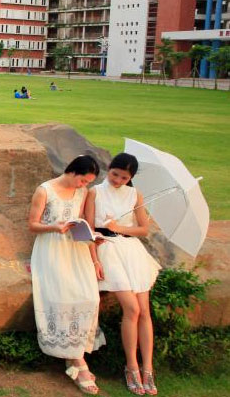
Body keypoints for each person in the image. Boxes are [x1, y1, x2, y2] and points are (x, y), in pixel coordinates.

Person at [28, 155, 104, 395]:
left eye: (88, 182)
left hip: (76, 249)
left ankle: (75, 355)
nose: (84, 185)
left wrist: (94, 251)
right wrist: (55, 227)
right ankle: (77, 361)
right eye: (82, 180)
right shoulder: (45, 190)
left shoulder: (83, 193)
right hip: (51, 247)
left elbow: (82, 223)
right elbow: (32, 225)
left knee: (91, 298)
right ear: (72, 171)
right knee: (63, 297)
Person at [84, 153, 160, 395]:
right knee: (132, 308)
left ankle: (148, 367)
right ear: (109, 169)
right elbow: (88, 227)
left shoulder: (134, 195)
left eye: (124, 177)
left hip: (131, 250)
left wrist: (121, 228)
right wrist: (95, 256)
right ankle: (131, 366)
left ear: (131, 178)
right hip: (106, 248)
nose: (117, 180)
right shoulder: (95, 192)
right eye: (115, 174)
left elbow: (143, 229)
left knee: (144, 310)